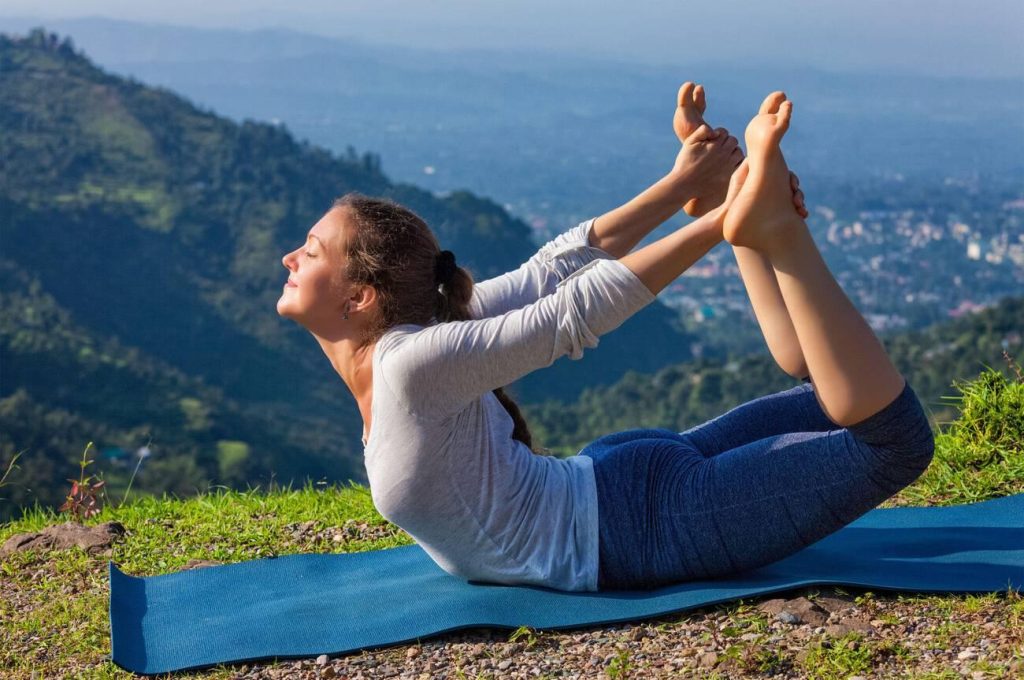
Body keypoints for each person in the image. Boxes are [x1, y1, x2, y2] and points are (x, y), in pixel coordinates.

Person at [277, 83, 934, 592]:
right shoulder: (423, 349)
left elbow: (567, 304)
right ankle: (750, 223)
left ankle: (771, 232)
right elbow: (556, 278)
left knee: (894, 443)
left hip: (636, 524)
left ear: (360, 297)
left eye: (309, 250)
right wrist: (694, 196)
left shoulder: (409, 364)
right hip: (619, 489)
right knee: (836, 393)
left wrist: (711, 218)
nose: (290, 258)